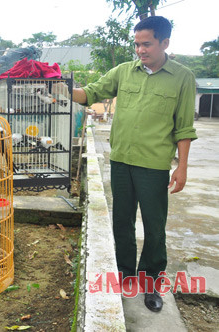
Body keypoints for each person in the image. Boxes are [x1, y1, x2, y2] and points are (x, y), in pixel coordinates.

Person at [70, 16, 197, 312]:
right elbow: (90, 93)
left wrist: (182, 167)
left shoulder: (182, 77)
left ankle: (151, 281)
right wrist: (61, 89)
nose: (140, 50)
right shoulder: (124, 72)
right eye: (137, 44)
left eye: (147, 44)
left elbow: (184, 127)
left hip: (153, 165)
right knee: (121, 222)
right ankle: (126, 274)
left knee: (155, 227)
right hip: (121, 160)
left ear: (165, 42)